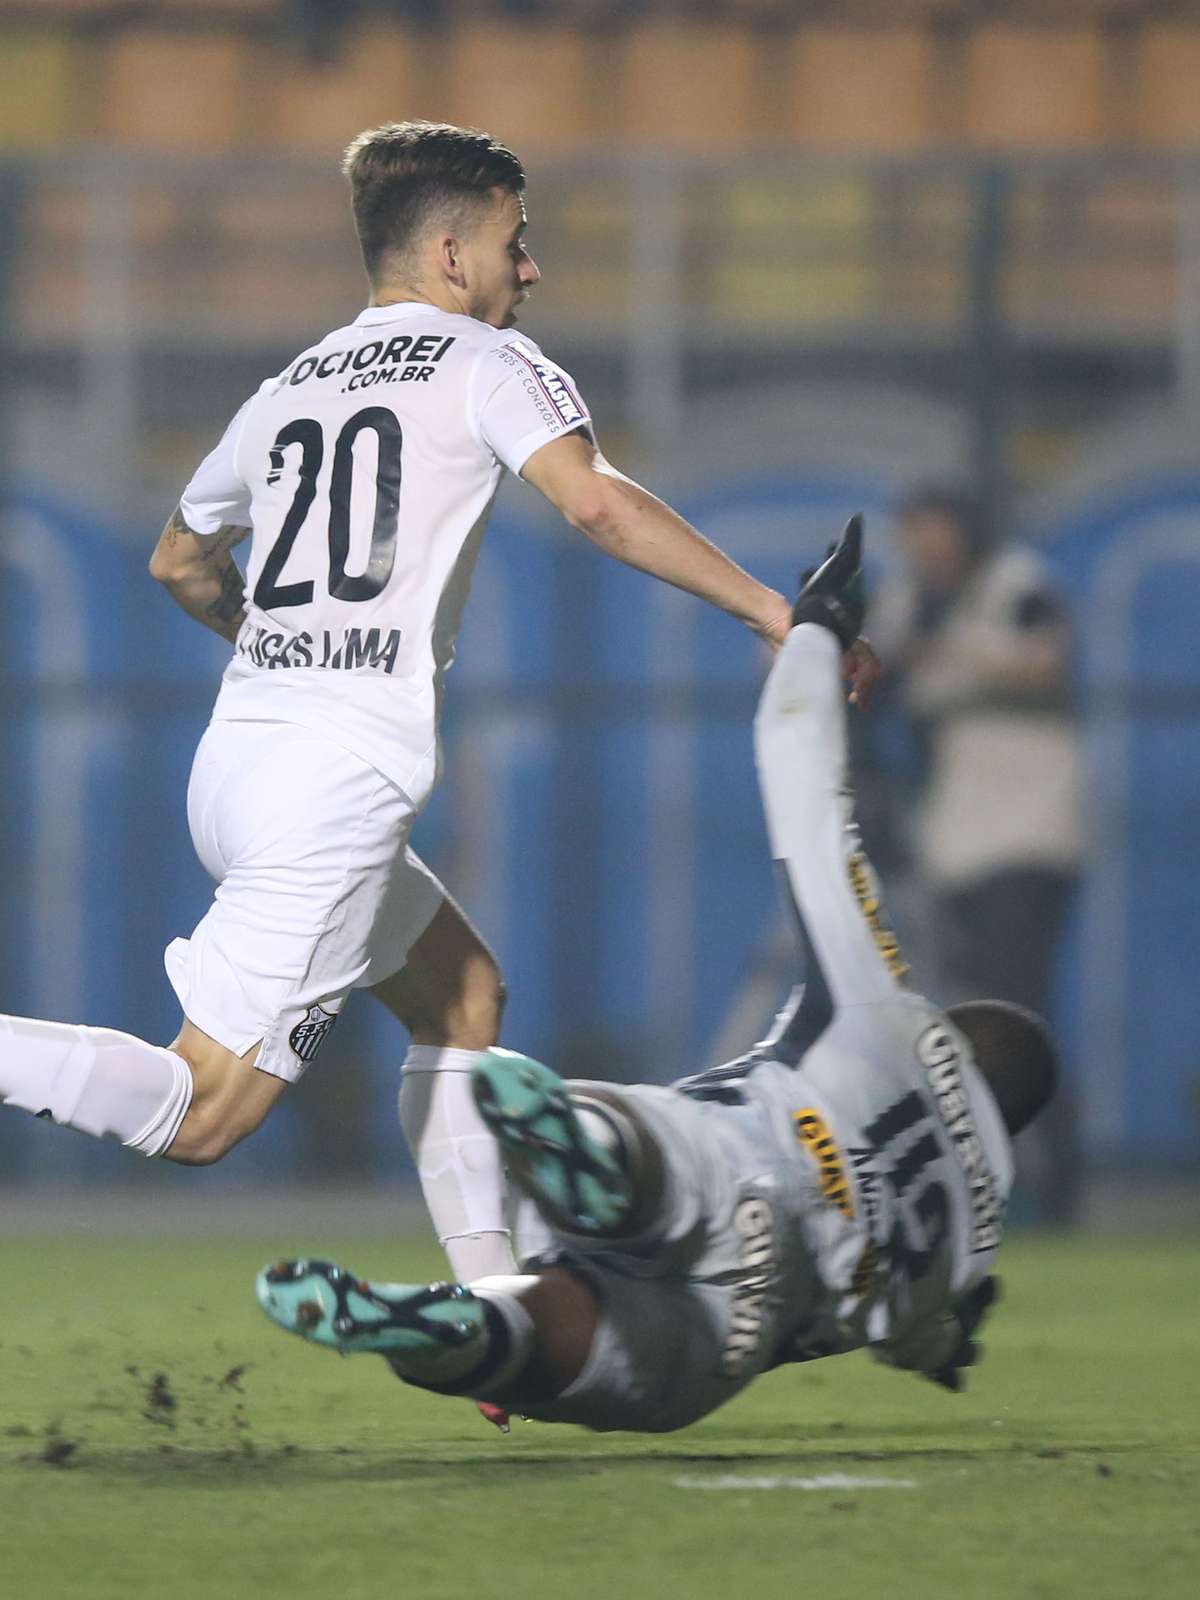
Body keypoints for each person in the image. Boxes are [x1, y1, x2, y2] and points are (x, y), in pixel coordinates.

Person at [0, 123, 791, 1294]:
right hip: (333, 781)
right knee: (205, 1112)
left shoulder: (288, 388)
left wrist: (278, 639)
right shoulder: (490, 366)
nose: (531, 272)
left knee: (464, 994)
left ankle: (499, 1305)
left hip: (238, 762)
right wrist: (776, 615)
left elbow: (178, 561)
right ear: (451, 251)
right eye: (518, 244)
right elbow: (601, 507)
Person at [256, 521, 1057, 1431]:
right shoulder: (967, 1239)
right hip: (733, 1332)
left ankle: (594, 1154)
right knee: (553, 1347)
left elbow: (804, 786)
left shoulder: (884, 1020)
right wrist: (941, 1341)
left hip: (741, 1159)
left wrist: (817, 633)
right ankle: (474, 1333)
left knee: (658, 1159)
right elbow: (915, 1340)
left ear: (947, 1036)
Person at [872, 486, 1080, 1222]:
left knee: (1018, 1007)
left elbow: (1046, 662)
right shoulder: (910, 600)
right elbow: (876, 670)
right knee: (967, 1005)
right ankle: (991, 1182)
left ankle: (1056, 1191)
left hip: (1027, 827)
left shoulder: (1015, 584)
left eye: (934, 530)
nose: (925, 548)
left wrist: (939, 652)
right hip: (953, 833)